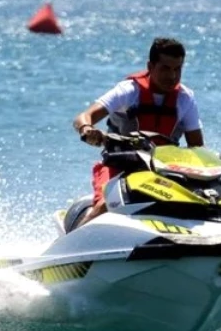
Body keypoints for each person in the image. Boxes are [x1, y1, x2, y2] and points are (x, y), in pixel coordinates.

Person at [70, 37, 204, 226]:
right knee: (105, 205)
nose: (172, 76)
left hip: (163, 172)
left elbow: (197, 148)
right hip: (119, 167)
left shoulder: (185, 98)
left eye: (177, 69)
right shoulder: (129, 91)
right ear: (150, 66)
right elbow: (83, 117)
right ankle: (72, 243)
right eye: (165, 68)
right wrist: (87, 129)